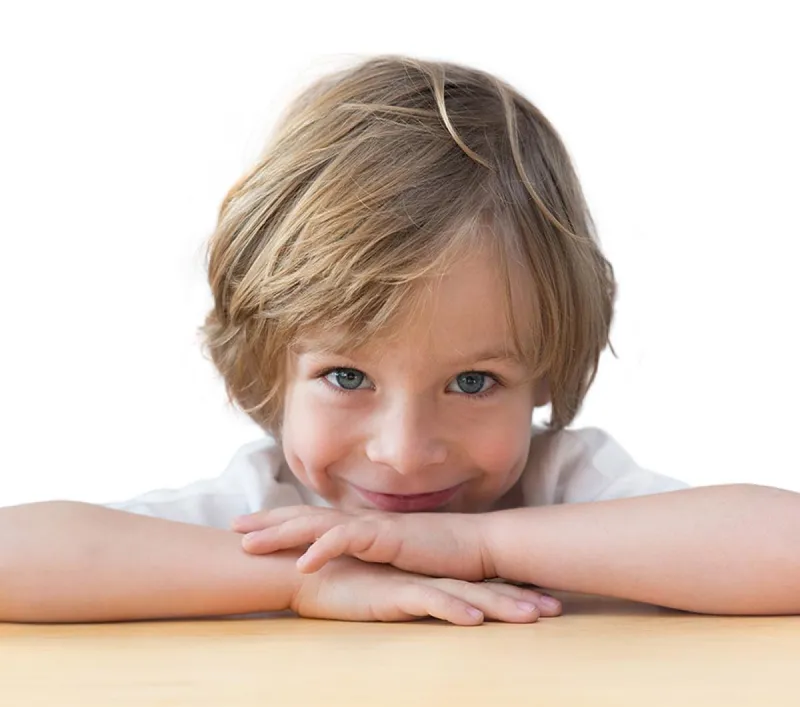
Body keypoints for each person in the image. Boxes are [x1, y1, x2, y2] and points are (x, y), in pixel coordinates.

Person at [1, 55, 798, 626]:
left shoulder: (565, 489)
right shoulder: (268, 514)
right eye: (348, 377)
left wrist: (475, 543)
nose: (405, 453)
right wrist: (300, 584)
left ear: (547, 366)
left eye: (474, 382)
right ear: (268, 366)